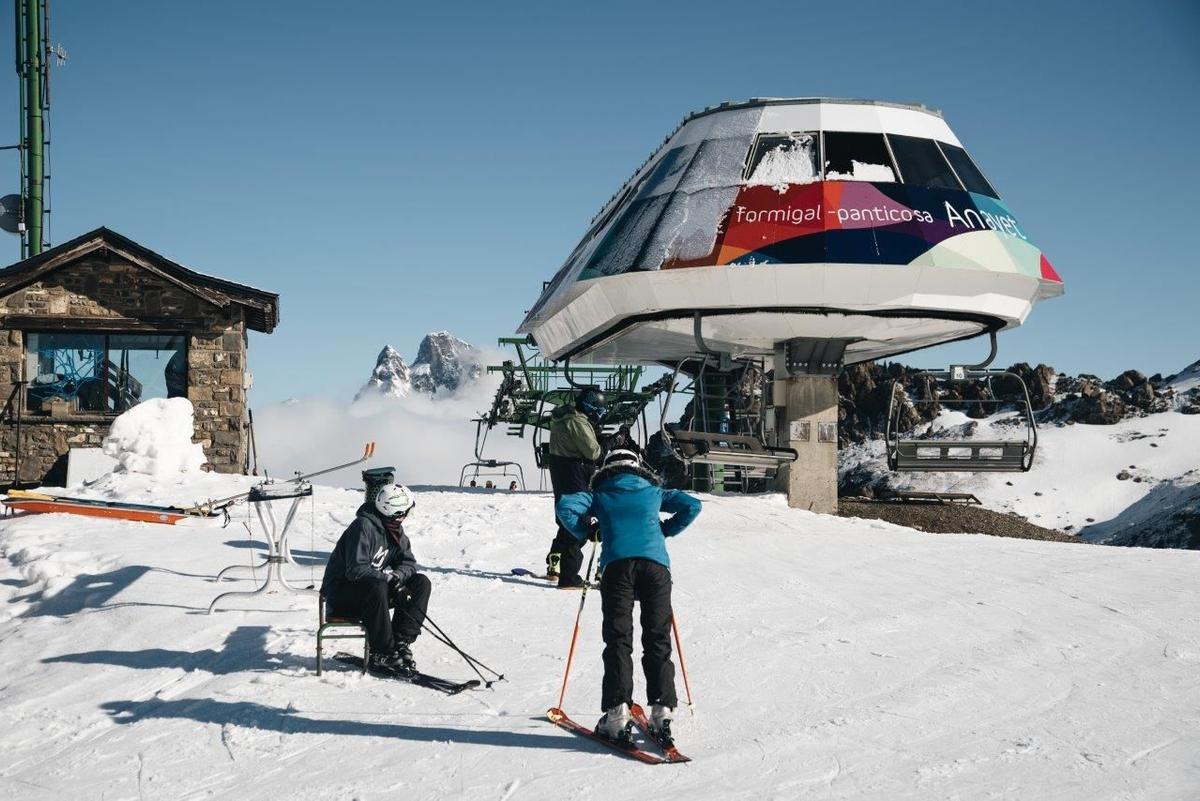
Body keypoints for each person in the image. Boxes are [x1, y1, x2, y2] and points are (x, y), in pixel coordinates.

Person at [556, 449, 702, 747]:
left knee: (618, 639)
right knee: (658, 637)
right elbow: (692, 505)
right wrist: (664, 530)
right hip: (655, 568)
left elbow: (566, 506)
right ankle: (662, 713)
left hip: (617, 568)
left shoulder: (598, 494)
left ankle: (617, 714)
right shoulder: (653, 491)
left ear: (607, 468)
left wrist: (588, 531)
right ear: (637, 467)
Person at [320, 484, 430, 676]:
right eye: (406, 512)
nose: (407, 516)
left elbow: (409, 563)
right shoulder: (363, 527)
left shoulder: (394, 530)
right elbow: (355, 569)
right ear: (396, 512)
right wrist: (387, 580)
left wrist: (396, 578)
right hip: (341, 596)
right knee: (377, 586)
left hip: (371, 594)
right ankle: (383, 652)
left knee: (421, 583)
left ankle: (400, 642)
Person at [544, 388, 604, 589]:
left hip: (564, 474)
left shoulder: (566, 418)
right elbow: (593, 452)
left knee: (566, 521)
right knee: (578, 524)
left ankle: (555, 563)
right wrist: (605, 443)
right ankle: (569, 577)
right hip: (574, 476)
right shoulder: (576, 421)